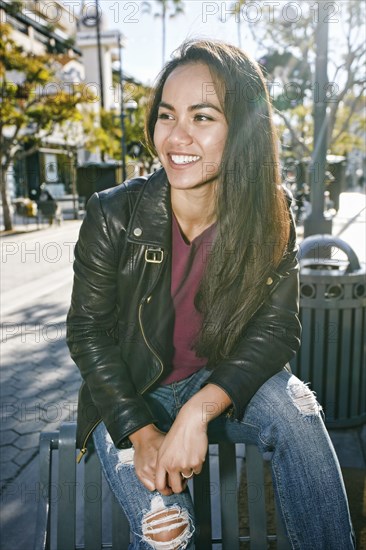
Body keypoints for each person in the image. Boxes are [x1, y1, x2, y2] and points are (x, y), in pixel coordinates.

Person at [67, 40, 355, 549]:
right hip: (132, 390)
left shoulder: (271, 213)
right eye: (166, 115)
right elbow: (88, 333)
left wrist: (200, 409)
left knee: (298, 409)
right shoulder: (113, 214)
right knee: (166, 533)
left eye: (203, 117)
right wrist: (142, 431)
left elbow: (276, 330)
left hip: (218, 377)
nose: (176, 137)